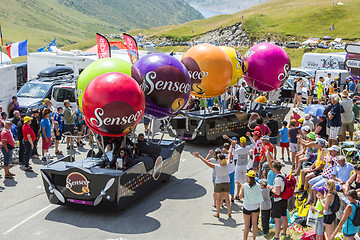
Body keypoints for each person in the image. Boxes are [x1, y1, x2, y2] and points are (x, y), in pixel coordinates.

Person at [193, 143, 234, 218]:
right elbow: (230, 154)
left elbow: (206, 162)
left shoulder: (217, 166)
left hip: (219, 184)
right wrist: (231, 145)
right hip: (227, 183)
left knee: (218, 200)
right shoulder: (227, 164)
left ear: (219, 159)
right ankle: (229, 212)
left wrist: (199, 156)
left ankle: (217, 213)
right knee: (227, 199)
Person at [224, 133, 255, 200]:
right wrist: (250, 137)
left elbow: (232, 153)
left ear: (240, 142)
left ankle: (238, 195)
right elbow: (253, 143)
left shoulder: (239, 150)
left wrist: (232, 146)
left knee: (238, 181)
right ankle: (244, 194)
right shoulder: (247, 148)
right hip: (245, 166)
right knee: (244, 182)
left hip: (238, 166)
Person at [266, 161, 288, 240]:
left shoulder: (277, 179)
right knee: (284, 216)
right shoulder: (283, 175)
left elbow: (277, 192)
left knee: (277, 218)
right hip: (284, 199)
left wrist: (270, 188)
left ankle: (276, 236)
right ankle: (284, 232)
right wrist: (273, 187)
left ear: (274, 169)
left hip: (278, 200)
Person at [239, 170, 263, 240]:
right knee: (255, 224)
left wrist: (241, 188)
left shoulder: (244, 185)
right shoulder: (258, 186)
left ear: (248, 177)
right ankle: (254, 238)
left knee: (246, 225)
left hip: (247, 207)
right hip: (255, 207)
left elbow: (240, 196)